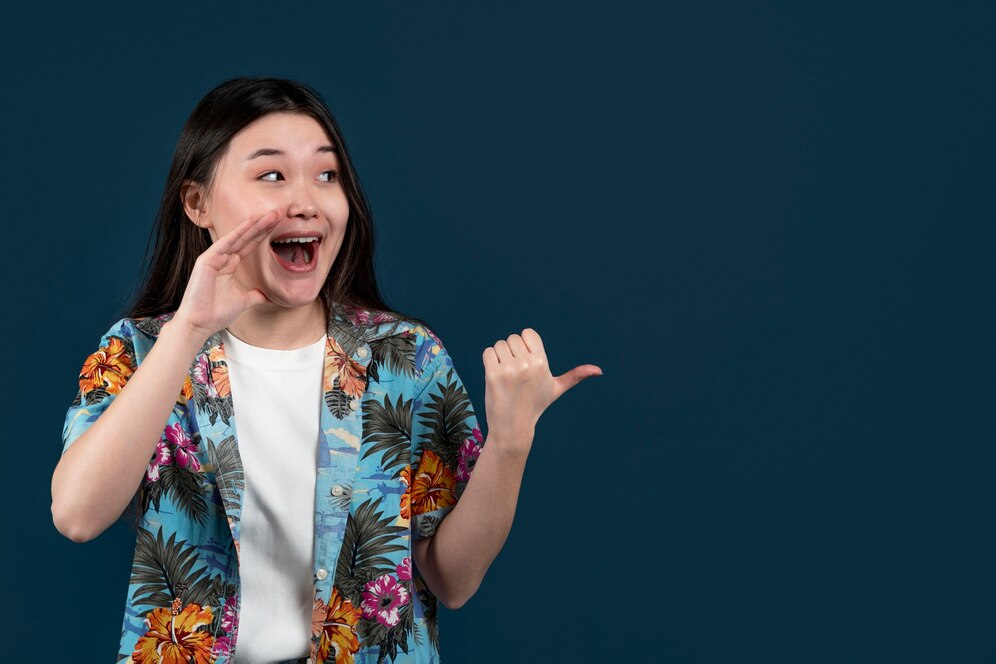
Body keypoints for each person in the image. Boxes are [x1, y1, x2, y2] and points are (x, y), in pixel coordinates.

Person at [51, 76, 602, 663]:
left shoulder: (404, 357)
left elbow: (454, 580)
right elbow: (78, 514)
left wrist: (512, 441)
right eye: (271, 175)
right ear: (197, 204)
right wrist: (188, 330)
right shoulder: (140, 350)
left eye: (326, 174)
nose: (306, 200)